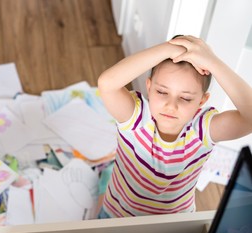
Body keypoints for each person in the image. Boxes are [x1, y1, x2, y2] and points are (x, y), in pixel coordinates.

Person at [97, 35, 252, 218]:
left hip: (173, 226)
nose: (171, 106)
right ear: (149, 87)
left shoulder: (202, 129)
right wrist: (170, 49)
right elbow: (106, 84)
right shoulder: (135, 117)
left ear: (201, 101)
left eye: (185, 98)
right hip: (117, 217)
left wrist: (212, 62)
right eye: (162, 92)